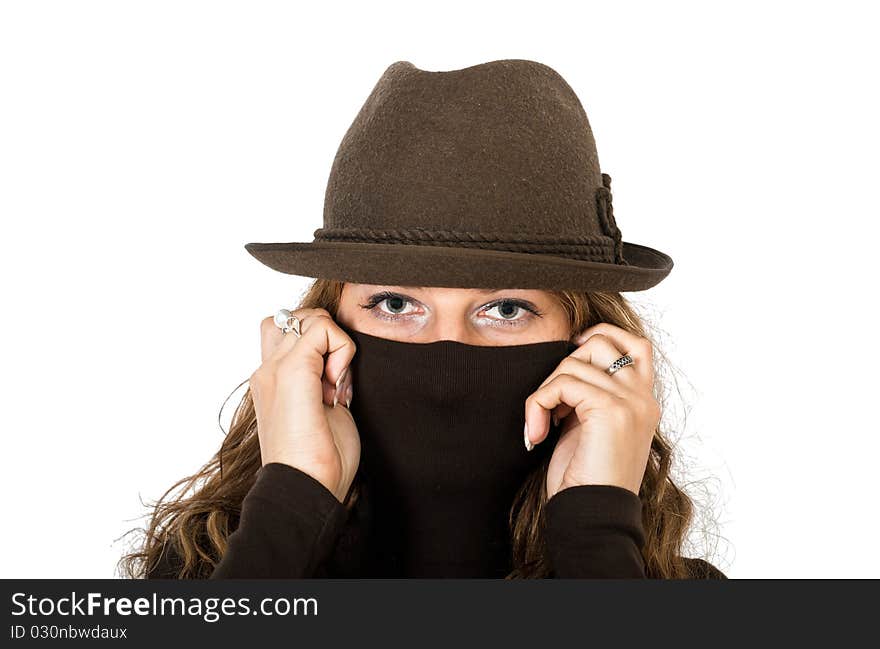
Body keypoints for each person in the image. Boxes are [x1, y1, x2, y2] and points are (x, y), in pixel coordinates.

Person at [119, 58, 726, 579]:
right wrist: (290, 505)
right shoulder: (208, 575)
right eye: (395, 304)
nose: (446, 352)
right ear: (319, 332)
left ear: (588, 346)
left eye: (505, 308)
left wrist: (596, 531)